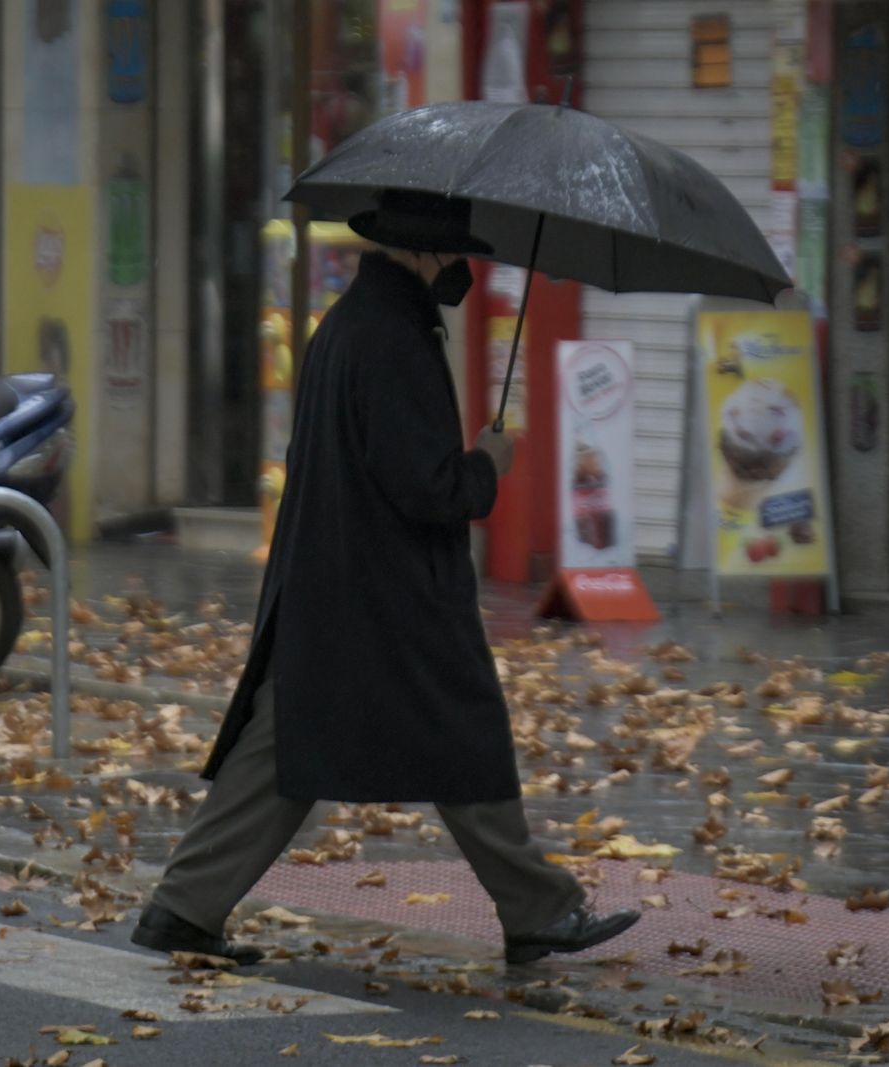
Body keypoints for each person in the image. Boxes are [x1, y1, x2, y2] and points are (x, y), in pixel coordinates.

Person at [131, 189, 639, 966]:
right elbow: (426, 487)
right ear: (425, 252)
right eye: (455, 252)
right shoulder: (394, 338)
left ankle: (183, 908)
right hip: (392, 594)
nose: (463, 268)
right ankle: (538, 910)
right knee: (461, 738)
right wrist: (485, 466)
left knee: (286, 752)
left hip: (334, 584)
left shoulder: (348, 324)